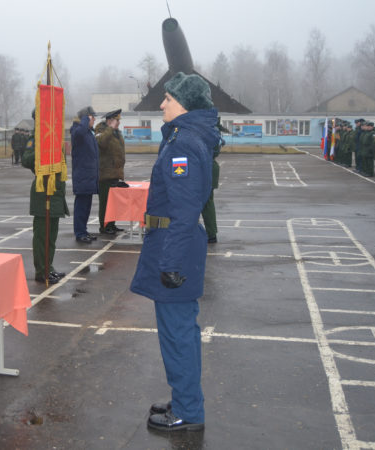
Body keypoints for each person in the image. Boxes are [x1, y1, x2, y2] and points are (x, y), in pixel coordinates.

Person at [130, 72, 219, 432]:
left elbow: (183, 212)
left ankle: (188, 412)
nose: (162, 103)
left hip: (173, 247)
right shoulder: (188, 137)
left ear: (184, 104)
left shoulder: (182, 143)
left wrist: (170, 263)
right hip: (174, 244)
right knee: (182, 331)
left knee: (178, 332)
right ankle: (185, 399)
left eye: (168, 98)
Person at [22, 110, 69, 284]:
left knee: (52, 235)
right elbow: (26, 160)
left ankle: (49, 267)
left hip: (55, 191)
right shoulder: (35, 138)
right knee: (42, 236)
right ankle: (41, 271)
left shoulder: (55, 137)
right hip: (43, 191)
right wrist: (42, 150)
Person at [70, 106, 100, 243]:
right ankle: (79, 233)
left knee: (86, 207)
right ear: (86, 117)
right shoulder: (78, 131)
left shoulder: (88, 132)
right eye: (92, 117)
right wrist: (84, 120)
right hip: (82, 176)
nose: (94, 120)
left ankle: (84, 230)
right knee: (81, 207)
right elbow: (79, 133)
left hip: (89, 177)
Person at [96, 108, 126, 235]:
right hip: (105, 173)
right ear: (109, 121)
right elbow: (102, 143)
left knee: (113, 202)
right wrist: (110, 128)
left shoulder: (116, 133)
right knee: (105, 203)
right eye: (116, 120)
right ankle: (104, 226)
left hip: (115, 172)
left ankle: (112, 224)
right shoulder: (100, 131)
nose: (118, 123)